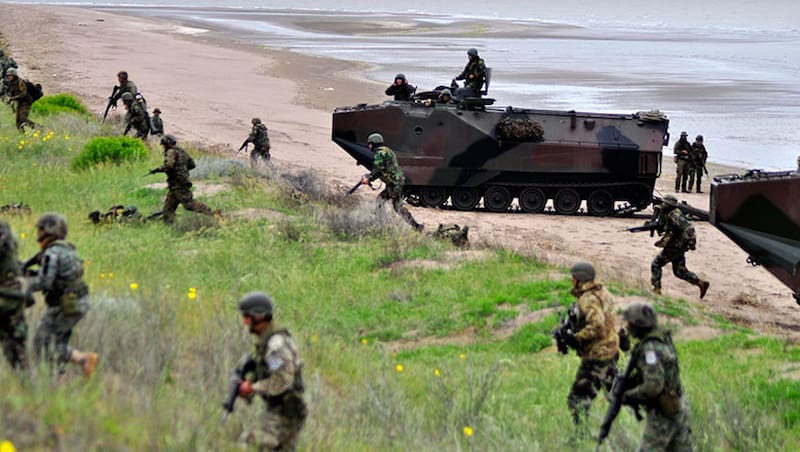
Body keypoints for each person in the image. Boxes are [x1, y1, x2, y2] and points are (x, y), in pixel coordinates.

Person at [25, 213, 98, 377]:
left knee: (43, 344)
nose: (37, 236)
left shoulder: (52, 253)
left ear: (48, 232)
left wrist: (22, 283)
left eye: (40, 232)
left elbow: (45, 282)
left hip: (64, 306)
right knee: (57, 343)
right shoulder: (67, 250)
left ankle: (84, 360)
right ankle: (59, 379)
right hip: (75, 303)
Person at [236, 292, 307, 450]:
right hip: (284, 409)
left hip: (286, 411)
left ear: (259, 317)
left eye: (247, 317)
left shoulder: (275, 346)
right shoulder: (269, 342)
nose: (245, 322)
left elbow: (281, 380)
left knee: (250, 442)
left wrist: (252, 388)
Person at [620, 302, 693, 451]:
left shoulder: (650, 349)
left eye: (630, 323)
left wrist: (628, 396)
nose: (627, 326)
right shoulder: (663, 340)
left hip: (664, 414)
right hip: (679, 406)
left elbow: (653, 387)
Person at [564, 261, 621, 426]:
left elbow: (597, 325)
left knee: (577, 398)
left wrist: (576, 338)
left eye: (572, 278)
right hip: (610, 350)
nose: (571, 281)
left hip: (596, 355)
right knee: (614, 393)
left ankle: (580, 436)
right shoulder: (602, 292)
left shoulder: (587, 299)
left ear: (578, 279)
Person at [147, 134, 220, 224]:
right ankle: (169, 227)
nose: (163, 147)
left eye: (163, 145)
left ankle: (213, 213)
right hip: (177, 184)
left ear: (166, 144)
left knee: (189, 204)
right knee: (168, 208)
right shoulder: (181, 152)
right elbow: (192, 164)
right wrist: (182, 170)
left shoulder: (171, 152)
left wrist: (158, 169)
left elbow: (169, 165)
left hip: (178, 183)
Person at [360, 133, 423, 231]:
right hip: (395, 182)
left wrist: (369, 179)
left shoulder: (379, 153)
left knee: (389, 203)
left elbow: (378, 169)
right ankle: (416, 226)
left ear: (373, 143)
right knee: (389, 203)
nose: (369, 146)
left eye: (370, 144)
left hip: (394, 183)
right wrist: (370, 176)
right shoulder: (387, 151)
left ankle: (380, 223)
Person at [650, 195, 710, 298]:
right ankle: (701, 283)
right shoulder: (669, 213)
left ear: (669, 205)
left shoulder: (675, 215)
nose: (662, 205)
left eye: (665, 203)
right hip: (677, 245)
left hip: (676, 245)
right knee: (679, 271)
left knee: (656, 264)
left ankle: (656, 289)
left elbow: (689, 227)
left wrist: (691, 242)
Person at [0, 220, 34, 370]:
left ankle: (29, 388)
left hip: (8, 298)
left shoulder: (2, 231)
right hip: (11, 296)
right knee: (14, 349)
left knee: (15, 349)